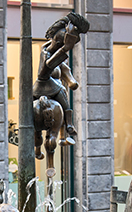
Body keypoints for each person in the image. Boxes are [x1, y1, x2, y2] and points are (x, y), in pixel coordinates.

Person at [32, 11, 89, 146]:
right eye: (58, 44)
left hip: (50, 84)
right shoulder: (45, 52)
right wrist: (65, 48)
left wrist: (72, 81)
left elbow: (64, 69)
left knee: (63, 90)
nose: (59, 47)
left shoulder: (55, 55)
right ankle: (68, 124)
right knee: (62, 91)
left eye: (60, 45)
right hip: (44, 85)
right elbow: (47, 66)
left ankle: (67, 128)